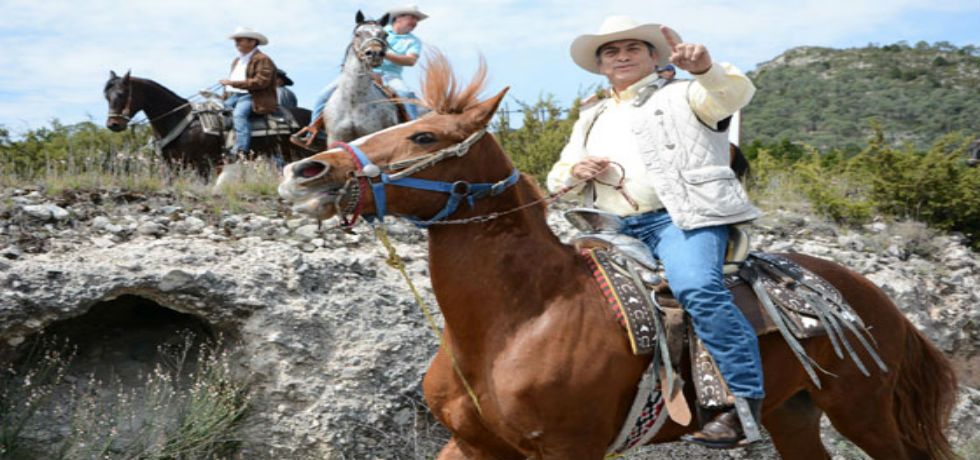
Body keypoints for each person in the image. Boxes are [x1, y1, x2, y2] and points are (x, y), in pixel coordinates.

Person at [547, 15, 764, 449]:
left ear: (652, 56)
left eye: (632, 49)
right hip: (608, 226)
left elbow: (734, 94)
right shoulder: (591, 116)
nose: (621, 56)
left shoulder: (688, 94)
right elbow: (557, 178)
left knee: (697, 287)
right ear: (601, 64)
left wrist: (705, 68)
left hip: (682, 219)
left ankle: (739, 406)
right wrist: (576, 170)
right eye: (611, 51)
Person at [310, 4, 426, 122]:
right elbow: (357, 46)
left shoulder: (413, 41)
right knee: (323, 95)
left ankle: (413, 128)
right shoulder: (377, 30)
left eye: (416, 19)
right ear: (399, 17)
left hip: (390, 76)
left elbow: (411, 61)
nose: (415, 22)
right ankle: (312, 130)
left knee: (405, 93)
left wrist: (382, 53)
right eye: (412, 18)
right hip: (362, 71)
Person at [219, 26, 277, 160]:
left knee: (239, 115)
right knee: (215, 113)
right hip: (234, 96)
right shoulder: (236, 61)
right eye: (236, 40)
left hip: (253, 96)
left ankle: (240, 150)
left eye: (240, 40)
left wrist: (232, 83)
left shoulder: (263, 59)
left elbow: (261, 82)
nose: (236, 43)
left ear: (252, 42)